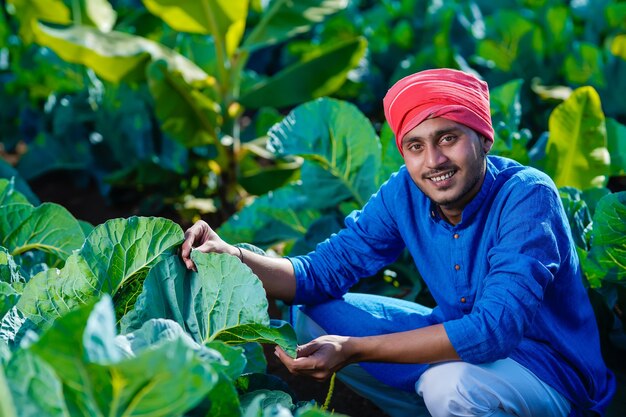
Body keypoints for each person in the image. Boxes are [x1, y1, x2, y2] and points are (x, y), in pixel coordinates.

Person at [181, 68, 615, 417]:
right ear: (404, 153)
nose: (434, 161)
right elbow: (322, 272)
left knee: (452, 388)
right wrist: (233, 256)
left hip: (548, 376)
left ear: (483, 138)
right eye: (416, 146)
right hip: (456, 343)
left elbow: (492, 332)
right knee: (311, 319)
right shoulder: (403, 192)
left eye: (449, 138)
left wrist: (355, 350)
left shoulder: (527, 195)